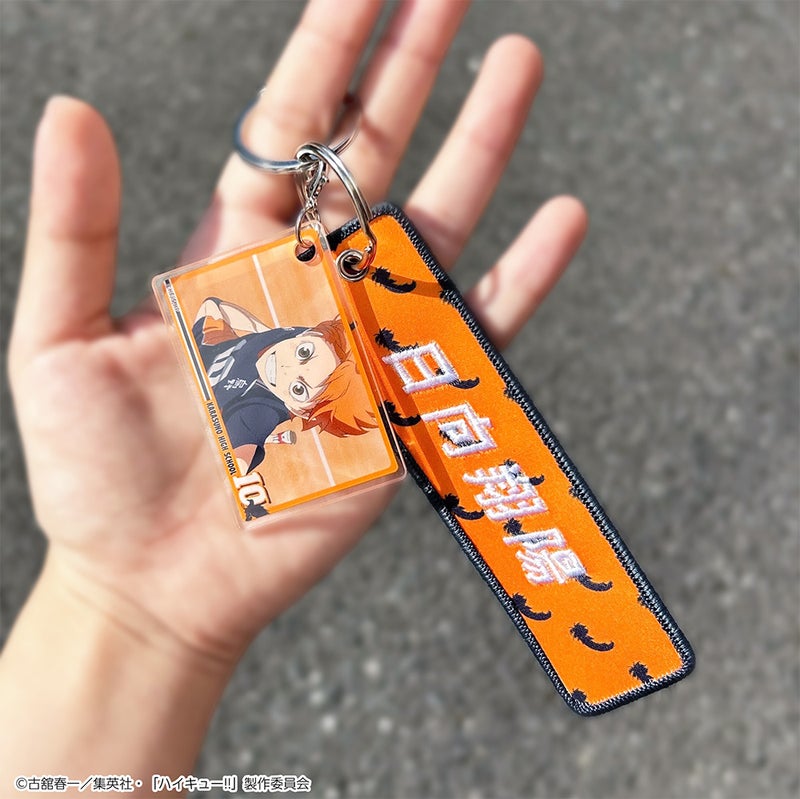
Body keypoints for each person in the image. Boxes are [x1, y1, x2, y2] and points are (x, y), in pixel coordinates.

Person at [0, 0, 588, 794]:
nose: (298, 370)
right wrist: (116, 599)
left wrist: (124, 610)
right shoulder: (237, 337)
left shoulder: (265, 407)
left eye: (307, 379)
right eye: (308, 354)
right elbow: (222, 320)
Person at [193, 298, 376, 473]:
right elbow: (213, 308)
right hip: (208, 348)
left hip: (190, 399)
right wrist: (263, 331)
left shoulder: (261, 410)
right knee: (210, 307)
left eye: (299, 389)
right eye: (304, 353)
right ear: (312, 334)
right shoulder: (302, 338)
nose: (285, 368)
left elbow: (238, 461)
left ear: (301, 410)